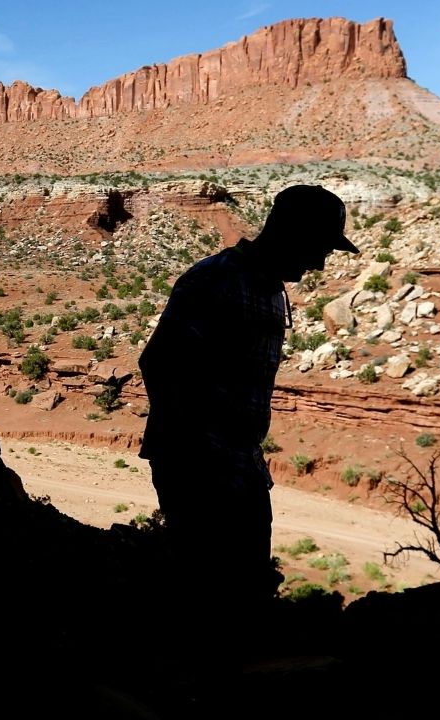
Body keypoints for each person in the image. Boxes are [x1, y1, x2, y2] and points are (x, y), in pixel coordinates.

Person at [137, 184, 359, 607]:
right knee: (210, 593)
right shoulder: (217, 278)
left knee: (249, 587)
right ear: (291, 232)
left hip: (241, 463)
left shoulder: (271, 289)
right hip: (199, 466)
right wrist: (202, 452)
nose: (319, 261)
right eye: (319, 247)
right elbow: (160, 363)